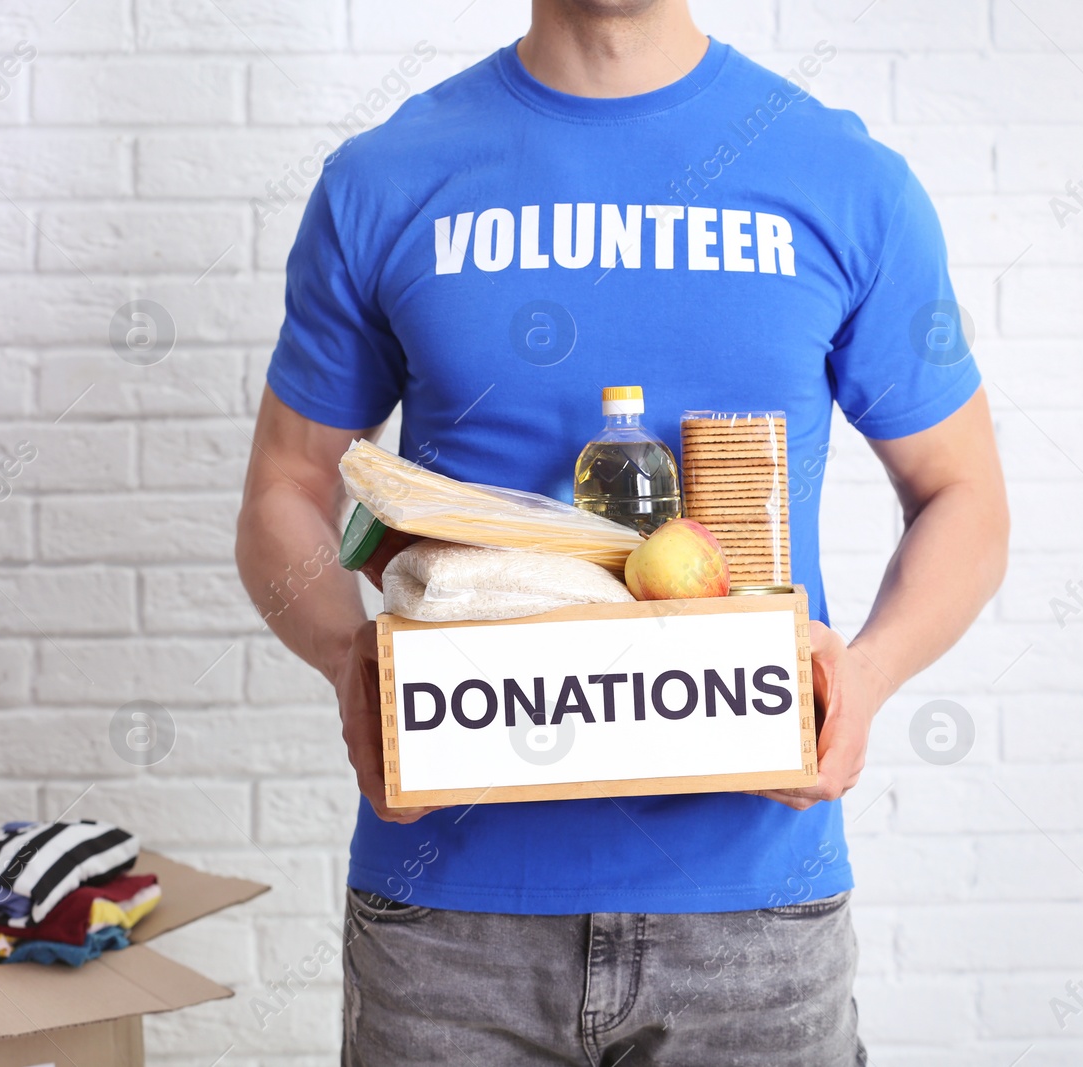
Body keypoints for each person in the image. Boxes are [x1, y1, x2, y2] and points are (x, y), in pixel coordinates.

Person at [235, 0, 1008, 1063]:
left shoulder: (846, 181)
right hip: (447, 918)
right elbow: (286, 484)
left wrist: (865, 677)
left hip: (753, 910)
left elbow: (963, 494)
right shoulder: (387, 177)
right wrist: (345, 657)